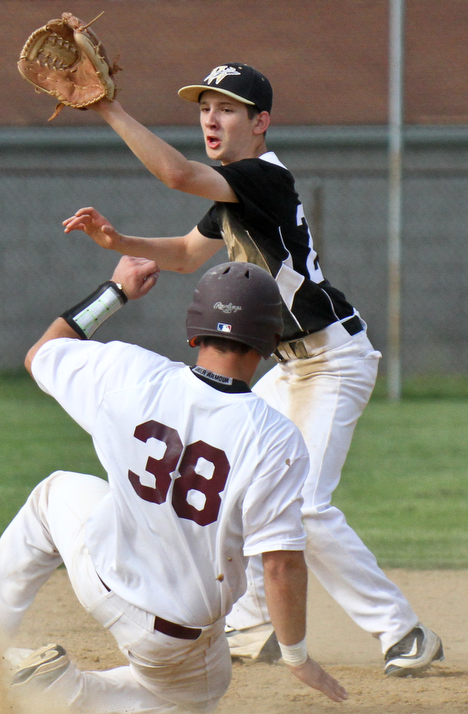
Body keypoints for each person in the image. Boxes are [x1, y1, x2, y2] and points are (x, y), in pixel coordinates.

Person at [62, 63, 444, 677]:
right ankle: (251, 624)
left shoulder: (263, 177)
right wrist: (118, 242)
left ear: (260, 122)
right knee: (241, 481)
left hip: (331, 359)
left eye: (228, 108)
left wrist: (108, 107)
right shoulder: (234, 190)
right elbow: (189, 254)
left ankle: (403, 633)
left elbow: (176, 173)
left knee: (306, 509)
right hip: (290, 365)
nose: (211, 118)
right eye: (205, 107)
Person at [0, 255, 348, 714]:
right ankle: (60, 693)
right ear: (271, 343)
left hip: (101, 575)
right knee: (193, 698)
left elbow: (41, 354)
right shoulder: (274, 437)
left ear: (193, 330)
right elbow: (280, 566)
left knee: (54, 494)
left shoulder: (129, 374)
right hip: (172, 635)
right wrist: (297, 657)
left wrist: (115, 292)